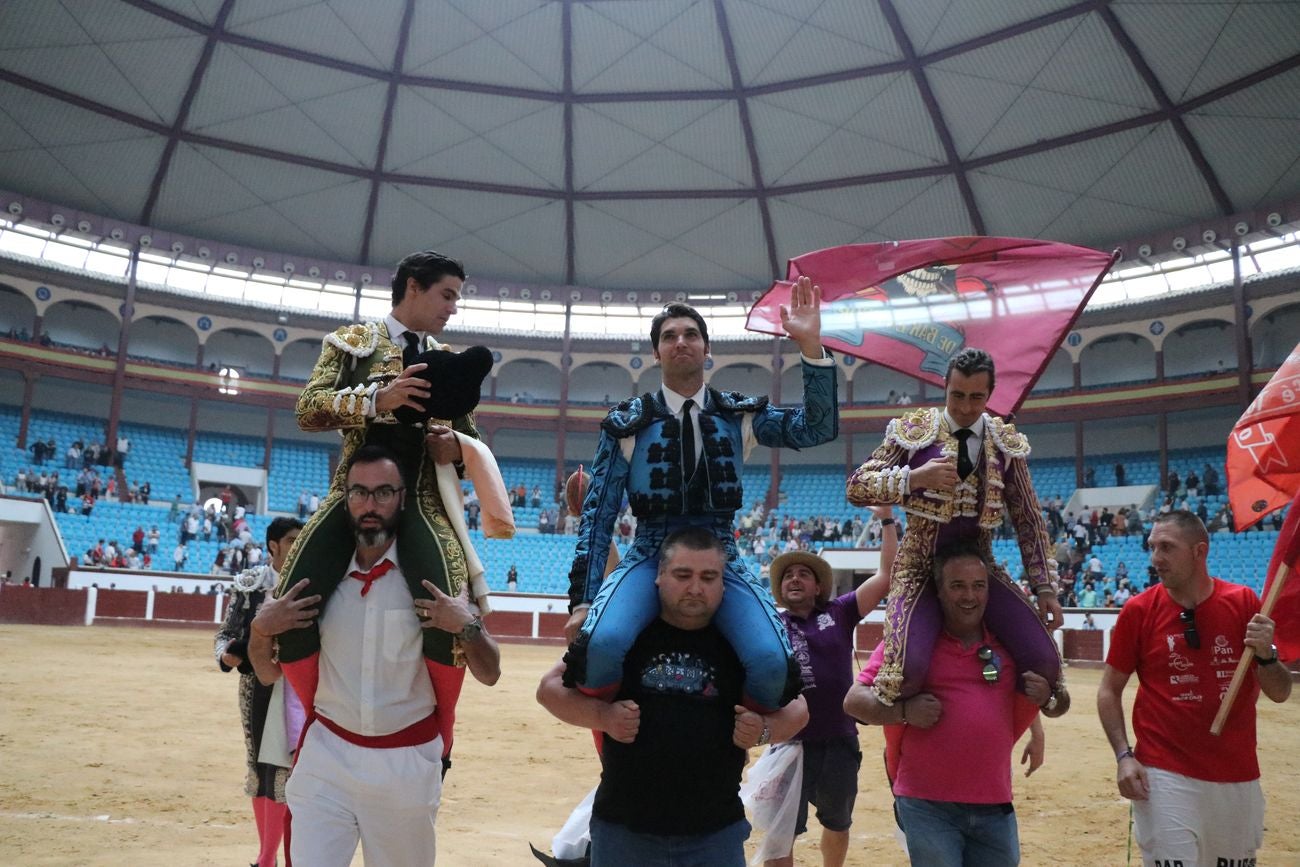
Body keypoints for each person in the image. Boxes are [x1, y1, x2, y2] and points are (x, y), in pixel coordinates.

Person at [564, 280, 838, 711]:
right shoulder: (626, 423)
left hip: (721, 552)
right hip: (651, 551)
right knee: (601, 644)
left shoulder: (738, 414)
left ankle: (728, 738)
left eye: (690, 334)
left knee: (771, 662)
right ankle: (609, 729)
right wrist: (582, 600)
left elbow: (816, 429)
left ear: (707, 348)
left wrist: (811, 348)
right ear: (656, 353)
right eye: (669, 337)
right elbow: (598, 515)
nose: (680, 342)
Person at [275, 250, 504, 763]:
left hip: (421, 500)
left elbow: (468, 436)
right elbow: (307, 409)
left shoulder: (448, 360)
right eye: (447, 295)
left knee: (448, 601)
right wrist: (380, 399)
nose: (453, 308)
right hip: (352, 496)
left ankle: (439, 739)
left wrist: (456, 449)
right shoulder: (353, 344)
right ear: (414, 288)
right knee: (291, 595)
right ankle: (312, 720)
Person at [250, 445, 500, 866]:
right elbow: (266, 672)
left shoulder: (433, 582)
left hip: (406, 765)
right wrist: (260, 630)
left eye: (383, 493)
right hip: (326, 758)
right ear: (343, 499)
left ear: (403, 498)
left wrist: (466, 625)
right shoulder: (319, 584)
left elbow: (490, 672)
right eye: (359, 493)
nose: (370, 505)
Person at [538, 527, 809, 866]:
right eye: (683, 574)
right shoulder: (628, 634)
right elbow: (548, 689)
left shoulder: (741, 645)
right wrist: (601, 717)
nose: (696, 587)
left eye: (709, 577)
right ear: (659, 577)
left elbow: (799, 709)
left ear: (724, 583)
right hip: (624, 829)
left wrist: (765, 729)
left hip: (715, 833)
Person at [846, 347, 1061, 705]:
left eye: (976, 397)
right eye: (957, 395)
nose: (964, 407)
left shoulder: (1003, 444)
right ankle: (902, 736)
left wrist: (1045, 587)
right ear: (945, 387)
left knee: (1044, 662)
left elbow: (1028, 518)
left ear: (990, 395)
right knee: (904, 672)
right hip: (919, 567)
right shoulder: (915, 432)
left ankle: (991, 727)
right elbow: (856, 486)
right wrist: (913, 478)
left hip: (979, 568)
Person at [844, 544, 1069, 866]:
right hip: (926, 804)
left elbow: (1057, 704)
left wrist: (1046, 700)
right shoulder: (910, 643)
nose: (969, 596)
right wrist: (904, 712)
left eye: (979, 586)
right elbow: (853, 701)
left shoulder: (1008, 644)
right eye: (957, 586)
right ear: (939, 591)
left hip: (994, 802)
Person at [1096, 510, 1291, 867]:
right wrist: (1124, 756)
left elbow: (1280, 692)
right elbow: (1109, 689)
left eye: (1167, 548)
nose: (1155, 558)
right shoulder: (1139, 611)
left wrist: (1266, 655)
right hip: (1163, 773)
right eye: (1152, 547)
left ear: (1199, 551)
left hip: (1237, 775)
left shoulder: (1244, 603)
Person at [763, 506, 897, 867]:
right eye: (788, 575)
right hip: (787, 742)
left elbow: (886, 576)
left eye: (803, 574)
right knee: (780, 833)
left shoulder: (840, 612)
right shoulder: (767, 623)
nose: (794, 579)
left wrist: (886, 519)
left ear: (818, 586)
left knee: (838, 823)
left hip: (838, 739)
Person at [212, 516, 304, 867]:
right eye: (293, 540)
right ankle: (266, 858)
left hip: (304, 686)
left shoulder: (316, 583)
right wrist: (226, 655)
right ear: (273, 546)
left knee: (294, 772)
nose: (299, 546)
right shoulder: (249, 584)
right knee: (259, 768)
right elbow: (225, 634)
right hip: (258, 687)